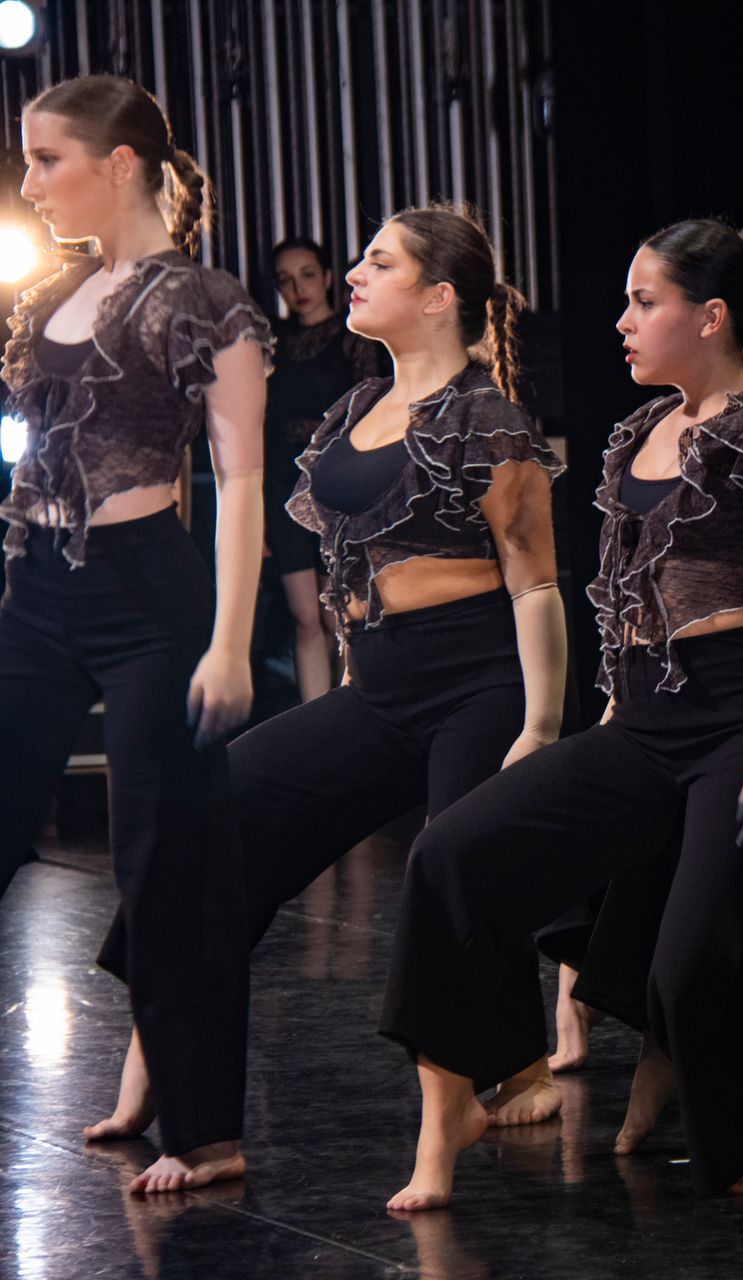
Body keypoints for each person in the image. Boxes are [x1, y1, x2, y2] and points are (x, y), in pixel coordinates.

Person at [379, 218, 743, 1211]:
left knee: (686, 974)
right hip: (642, 715)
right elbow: (630, 591)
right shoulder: (639, 434)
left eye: (646, 302)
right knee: (450, 852)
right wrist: (599, 714)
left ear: (712, 315)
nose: (622, 321)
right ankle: (473, 1082)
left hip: (740, 713)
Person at [92, 203, 566, 1162]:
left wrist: (542, 727)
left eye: (377, 262)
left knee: (453, 862)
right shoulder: (357, 410)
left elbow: (538, 583)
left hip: (479, 680)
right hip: (382, 690)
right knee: (214, 814)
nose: (353, 273)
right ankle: (162, 1054)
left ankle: (484, 1089)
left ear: (439, 298)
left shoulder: (489, 419)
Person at [0, 74, 270, 1192]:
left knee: (164, 861)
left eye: (48, 158)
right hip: (38, 589)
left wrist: (229, 639)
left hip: (152, 591)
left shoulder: (206, 298)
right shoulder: (51, 296)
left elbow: (241, 480)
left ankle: (203, 1128)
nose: (31, 181)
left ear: (118, 165)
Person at [264, 234, 388, 702]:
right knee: (303, 618)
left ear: (330, 277)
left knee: (340, 613)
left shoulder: (352, 337)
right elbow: (263, 426)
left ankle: (349, 716)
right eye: (285, 280)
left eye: (308, 274)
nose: (298, 288)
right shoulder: (272, 345)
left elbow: (367, 411)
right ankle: (313, 722)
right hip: (281, 486)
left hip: (338, 486)